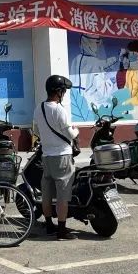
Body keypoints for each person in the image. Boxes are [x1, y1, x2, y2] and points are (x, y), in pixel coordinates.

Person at [33, 74, 80, 240]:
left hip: (46, 156)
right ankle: (61, 230)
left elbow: (36, 131)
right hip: (62, 157)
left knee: (46, 193)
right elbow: (70, 134)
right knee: (62, 195)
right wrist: (76, 130)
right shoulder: (60, 110)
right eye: (63, 91)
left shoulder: (39, 108)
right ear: (58, 91)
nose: (64, 94)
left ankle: (49, 225)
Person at [117, 41, 138, 120]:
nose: (129, 56)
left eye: (132, 53)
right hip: (130, 105)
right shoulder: (130, 69)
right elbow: (126, 87)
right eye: (129, 53)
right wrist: (122, 100)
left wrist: (127, 102)